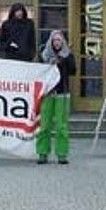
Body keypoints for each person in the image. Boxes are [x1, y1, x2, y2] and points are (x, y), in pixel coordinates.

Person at [37, 30, 76, 165]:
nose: (57, 43)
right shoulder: (44, 55)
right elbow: (38, 72)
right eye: (55, 40)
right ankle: (42, 153)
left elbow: (73, 70)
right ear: (51, 41)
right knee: (44, 125)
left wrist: (66, 59)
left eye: (59, 40)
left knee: (61, 126)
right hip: (47, 93)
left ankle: (62, 154)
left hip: (62, 93)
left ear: (63, 41)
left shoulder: (67, 55)